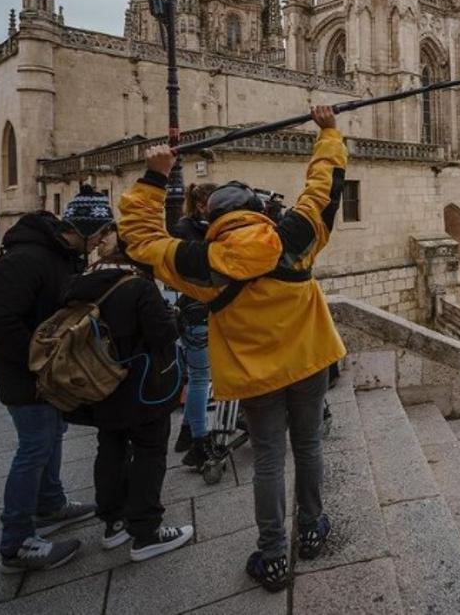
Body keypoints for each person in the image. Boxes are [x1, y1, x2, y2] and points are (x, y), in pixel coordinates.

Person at [117, 105, 347, 593]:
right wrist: (327, 132)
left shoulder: (199, 262)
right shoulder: (295, 238)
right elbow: (323, 186)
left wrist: (154, 178)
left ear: (213, 221)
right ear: (259, 211)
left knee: (267, 460)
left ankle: (273, 557)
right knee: (307, 447)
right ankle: (311, 527)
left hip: (255, 378)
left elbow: (139, 240)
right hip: (309, 364)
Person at [0, 188, 105, 573]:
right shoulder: (26, 259)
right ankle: (15, 543)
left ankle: (50, 503)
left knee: (53, 433)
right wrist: (41, 359)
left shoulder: (62, 256)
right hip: (25, 374)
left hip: (46, 372)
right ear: (82, 229)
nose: (101, 241)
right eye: (98, 233)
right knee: (34, 446)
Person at [67, 228, 192, 561]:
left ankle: (114, 523)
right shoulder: (138, 286)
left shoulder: (85, 281)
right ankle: (147, 531)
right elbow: (162, 334)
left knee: (110, 447)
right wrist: (175, 319)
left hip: (99, 385)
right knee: (150, 452)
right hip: (142, 387)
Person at [170, 182, 218, 470]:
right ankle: (199, 442)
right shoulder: (197, 231)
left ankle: (186, 432)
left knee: (194, 376)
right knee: (201, 379)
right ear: (202, 205)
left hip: (185, 312)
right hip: (199, 312)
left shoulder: (180, 228)